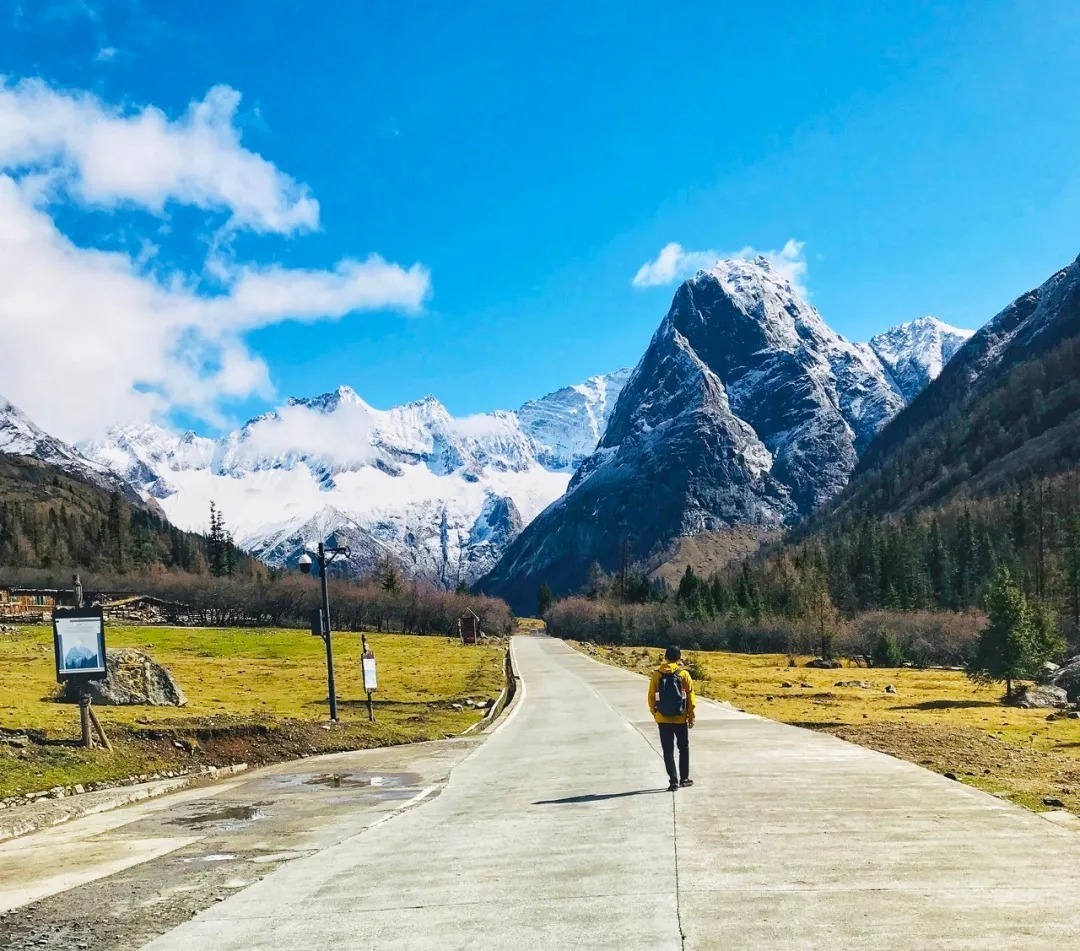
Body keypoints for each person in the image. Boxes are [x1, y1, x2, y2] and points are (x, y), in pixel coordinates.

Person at [648, 645, 696, 792]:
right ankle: (684, 778)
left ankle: (673, 781)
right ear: (679, 658)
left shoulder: (657, 674)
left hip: (663, 719)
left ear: (665, 657)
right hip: (680, 718)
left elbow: (651, 698)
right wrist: (690, 716)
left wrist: (656, 714)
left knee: (668, 751)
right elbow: (690, 698)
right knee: (683, 748)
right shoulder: (683, 674)